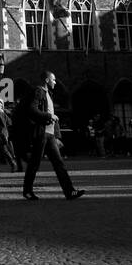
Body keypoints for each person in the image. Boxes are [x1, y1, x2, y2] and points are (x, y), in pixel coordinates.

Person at [22, 71, 85, 201]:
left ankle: (70, 192)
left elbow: (53, 117)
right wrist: (49, 116)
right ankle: (27, 191)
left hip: (50, 135)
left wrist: (57, 136)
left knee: (59, 163)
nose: (55, 82)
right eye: (53, 80)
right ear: (46, 80)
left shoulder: (48, 94)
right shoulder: (39, 91)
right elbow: (32, 109)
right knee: (35, 163)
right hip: (41, 134)